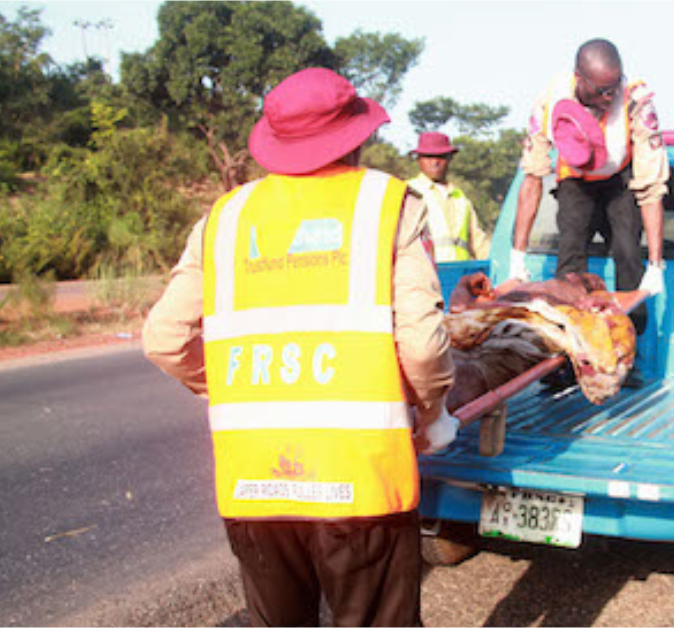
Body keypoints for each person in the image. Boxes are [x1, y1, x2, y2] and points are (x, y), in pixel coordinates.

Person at [142, 67, 457, 628]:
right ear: (356, 137)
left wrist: (233, 387)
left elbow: (165, 339)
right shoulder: (387, 206)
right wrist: (432, 410)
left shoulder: (225, 219)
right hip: (361, 483)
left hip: (254, 483)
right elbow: (424, 346)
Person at [510, 38, 670, 335]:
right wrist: (517, 258)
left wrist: (656, 266)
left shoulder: (636, 99)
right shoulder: (550, 101)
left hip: (620, 179)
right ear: (578, 78)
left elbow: (651, 188)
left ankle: (627, 348)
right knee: (570, 257)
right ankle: (567, 353)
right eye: (601, 91)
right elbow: (532, 180)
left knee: (627, 254)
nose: (610, 97)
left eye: (614, 87)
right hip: (575, 180)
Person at [406, 131, 491, 262]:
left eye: (440, 156)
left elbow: (478, 241)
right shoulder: (409, 192)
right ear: (418, 159)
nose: (434, 162)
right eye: (428, 157)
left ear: (449, 159)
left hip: (460, 274)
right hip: (426, 276)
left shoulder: (460, 197)